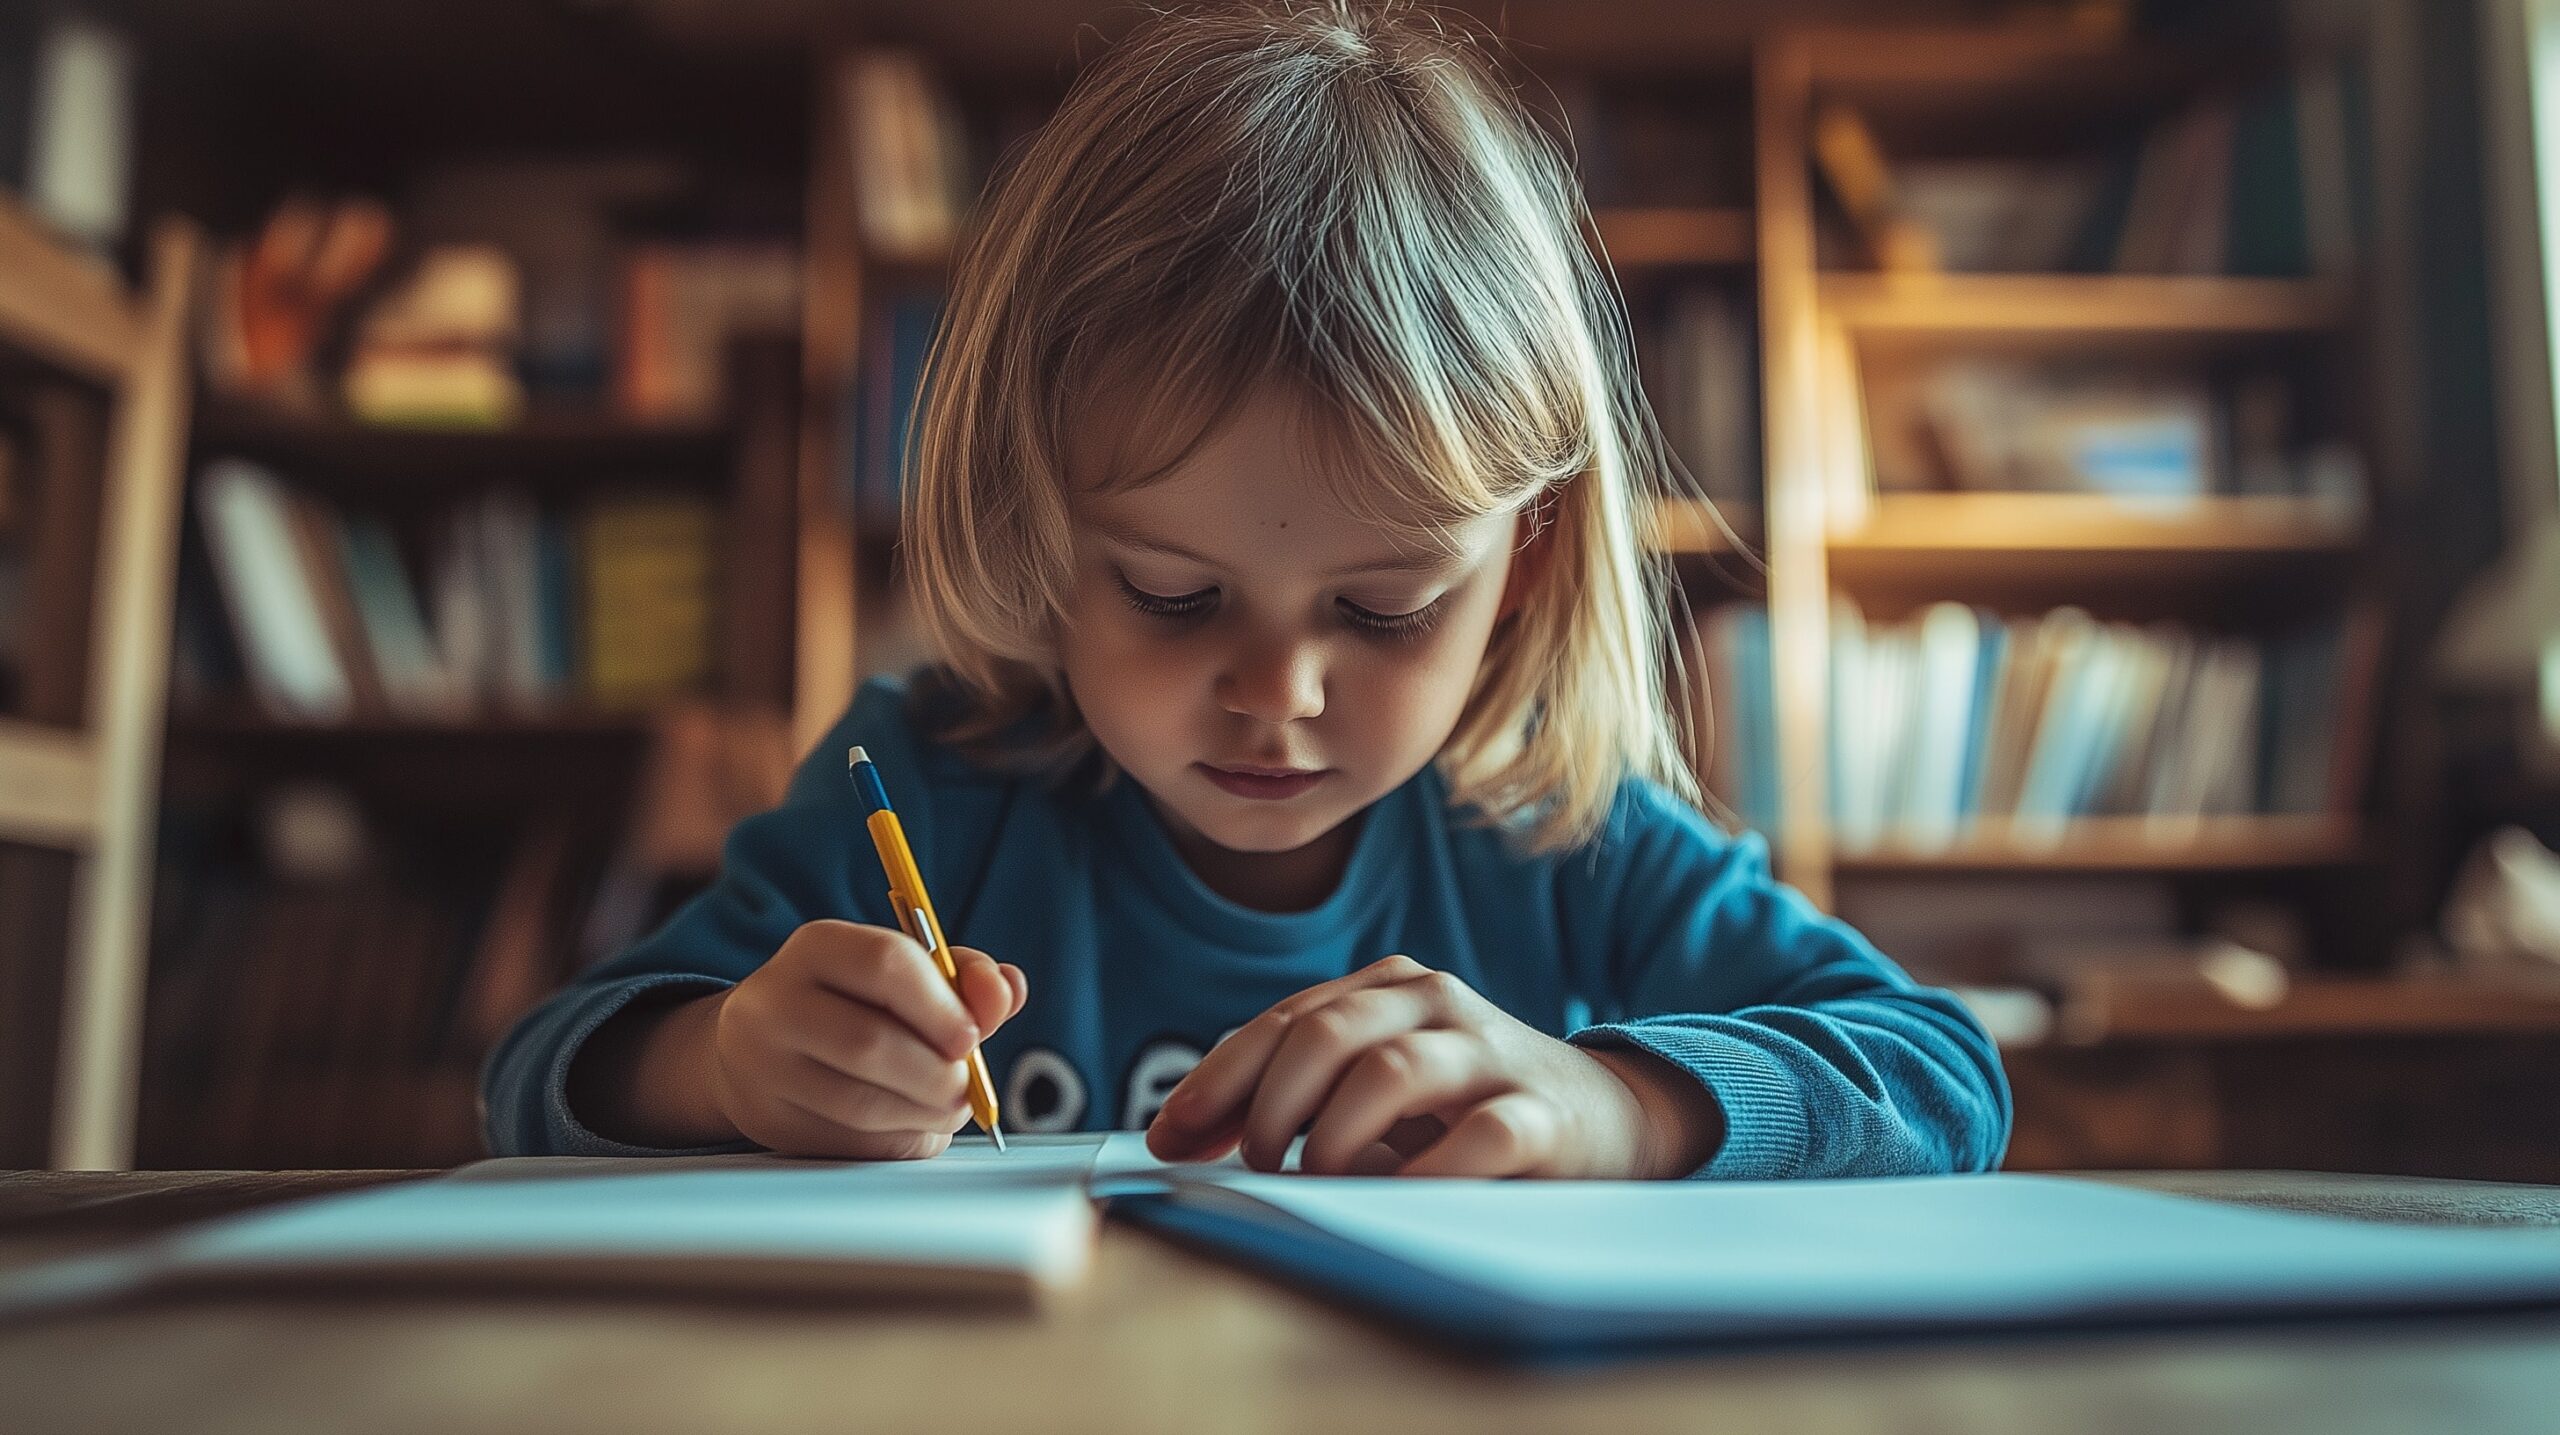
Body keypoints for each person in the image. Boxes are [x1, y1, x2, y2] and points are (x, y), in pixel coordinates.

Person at [483, 0, 2010, 1180]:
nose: (1276, 695)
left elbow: (1945, 1070)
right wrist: (726, 1063)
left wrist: (1615, 1104)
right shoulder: (939, 793)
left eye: (1381, 609)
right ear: (1039, 522)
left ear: (1524, 556)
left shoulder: (1569, 842)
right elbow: (541, 1070)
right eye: (1170, 592)